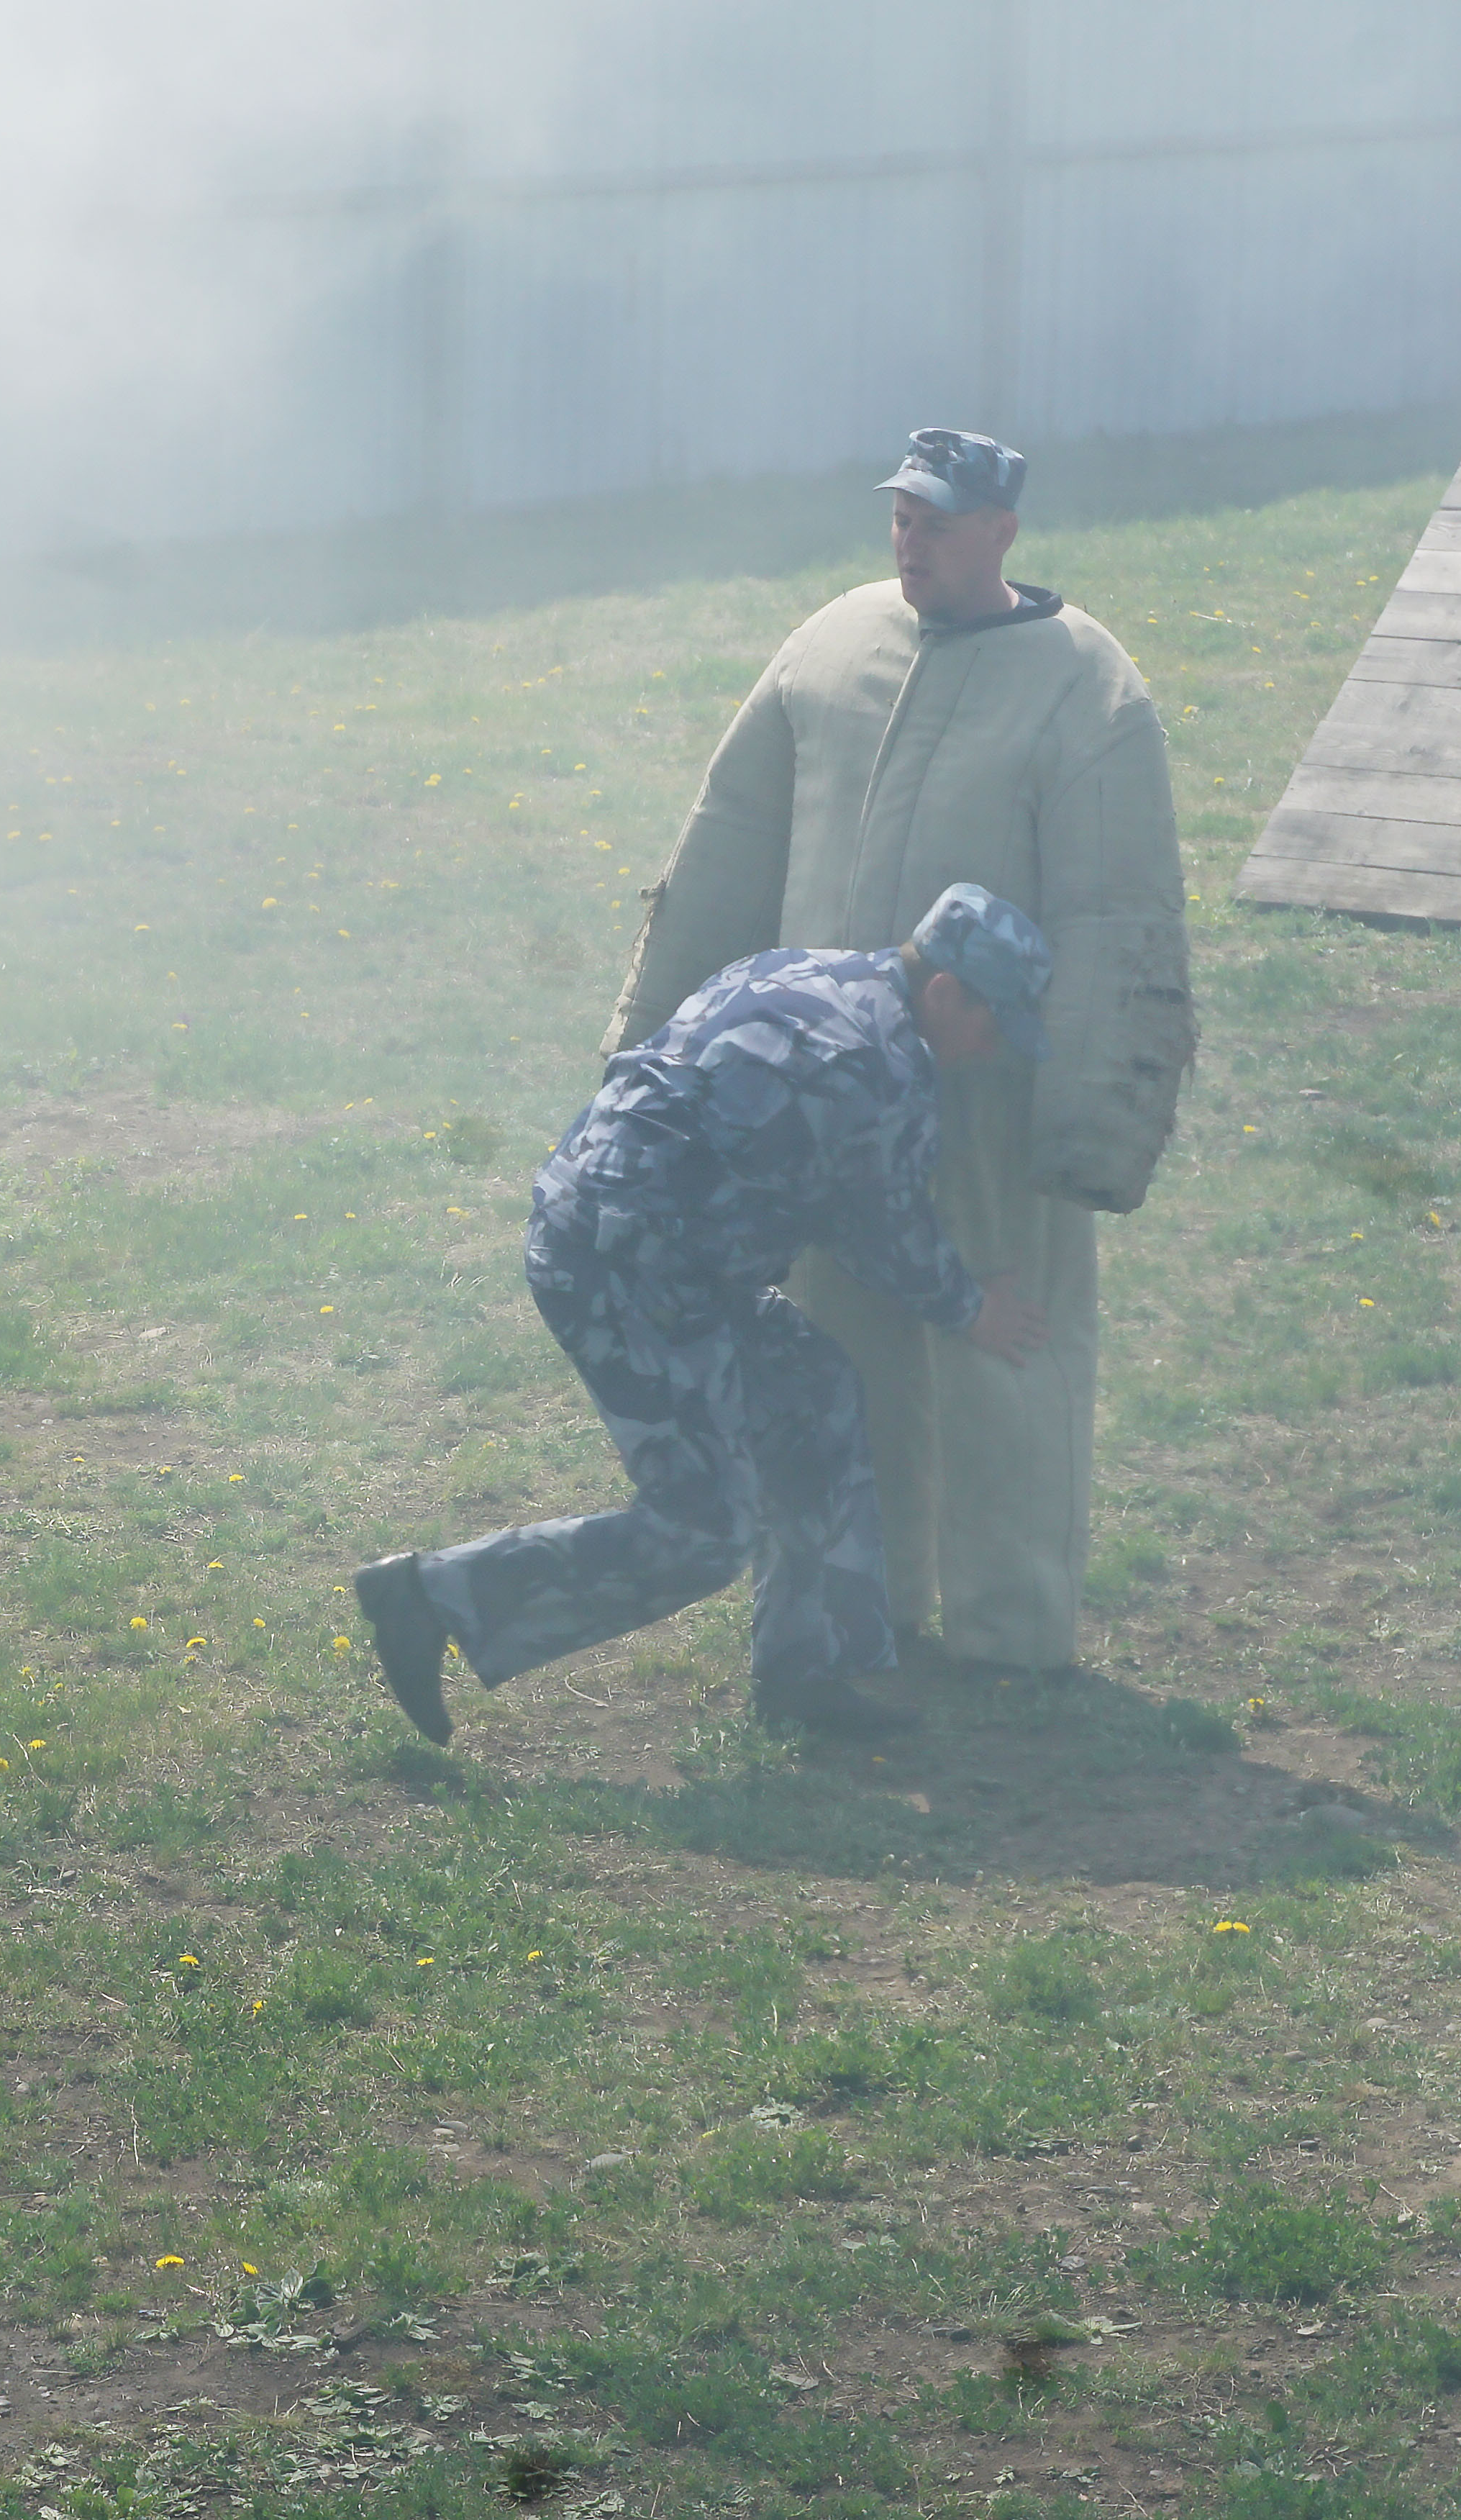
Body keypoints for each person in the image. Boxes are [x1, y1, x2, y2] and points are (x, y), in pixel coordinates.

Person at [601, 426, 1193, 1684]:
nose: (907, 538)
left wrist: (1090, 1125)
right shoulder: (830, 646)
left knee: (1004, 1350)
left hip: (990, 1108)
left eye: (936, 518)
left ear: (1002, 532)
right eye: (900, 514)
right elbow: (731, 838)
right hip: (827, 1102)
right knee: (845, 1345)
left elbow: (1119, 914)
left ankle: (1012, 1634)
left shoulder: (1086, 690)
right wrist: (645, 1033)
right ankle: (875, 1607)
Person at [354, 884, 1054, 1744]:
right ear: (945, 992)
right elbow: (887, 1234)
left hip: (641, 1246)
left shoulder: (802, 968)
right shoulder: (877, 1069)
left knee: (814, 1393)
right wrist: (972, 1309)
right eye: (992, 1025)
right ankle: (428, 1597)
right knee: (703, 1528)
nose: (989, 1051)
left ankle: (808, 1674)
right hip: (626, 1271)